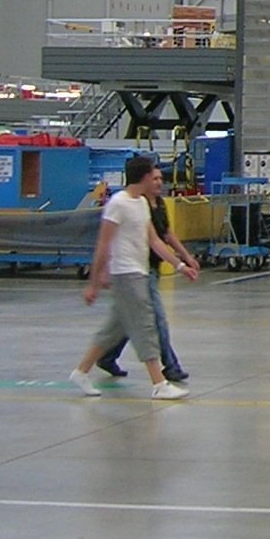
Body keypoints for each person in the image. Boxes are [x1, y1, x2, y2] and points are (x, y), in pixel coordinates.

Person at [71, 152, 198, 400]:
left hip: (139, 271)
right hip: (126, 274)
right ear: (142, 178)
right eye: (154, 177)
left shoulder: (141, 204)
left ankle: (81, 371)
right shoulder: (118, 204)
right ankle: (159, 383)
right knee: (145, 326)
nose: (158, 182)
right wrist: (94, 284)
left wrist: (181, 265)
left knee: (112, 330)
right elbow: (103, 245)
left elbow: (154, 241)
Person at [95, 185, 191, 383]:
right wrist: (98, 276)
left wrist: (183, 261)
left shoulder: (155, 205)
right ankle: (169, 369)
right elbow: (105, 241)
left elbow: (162, 237)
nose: (158, 183)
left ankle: (102, 358)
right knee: (154, 321)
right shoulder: (124, 204)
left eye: (159, 178)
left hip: (148, 270)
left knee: (123, 322)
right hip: (132, 273)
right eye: (154, 178)